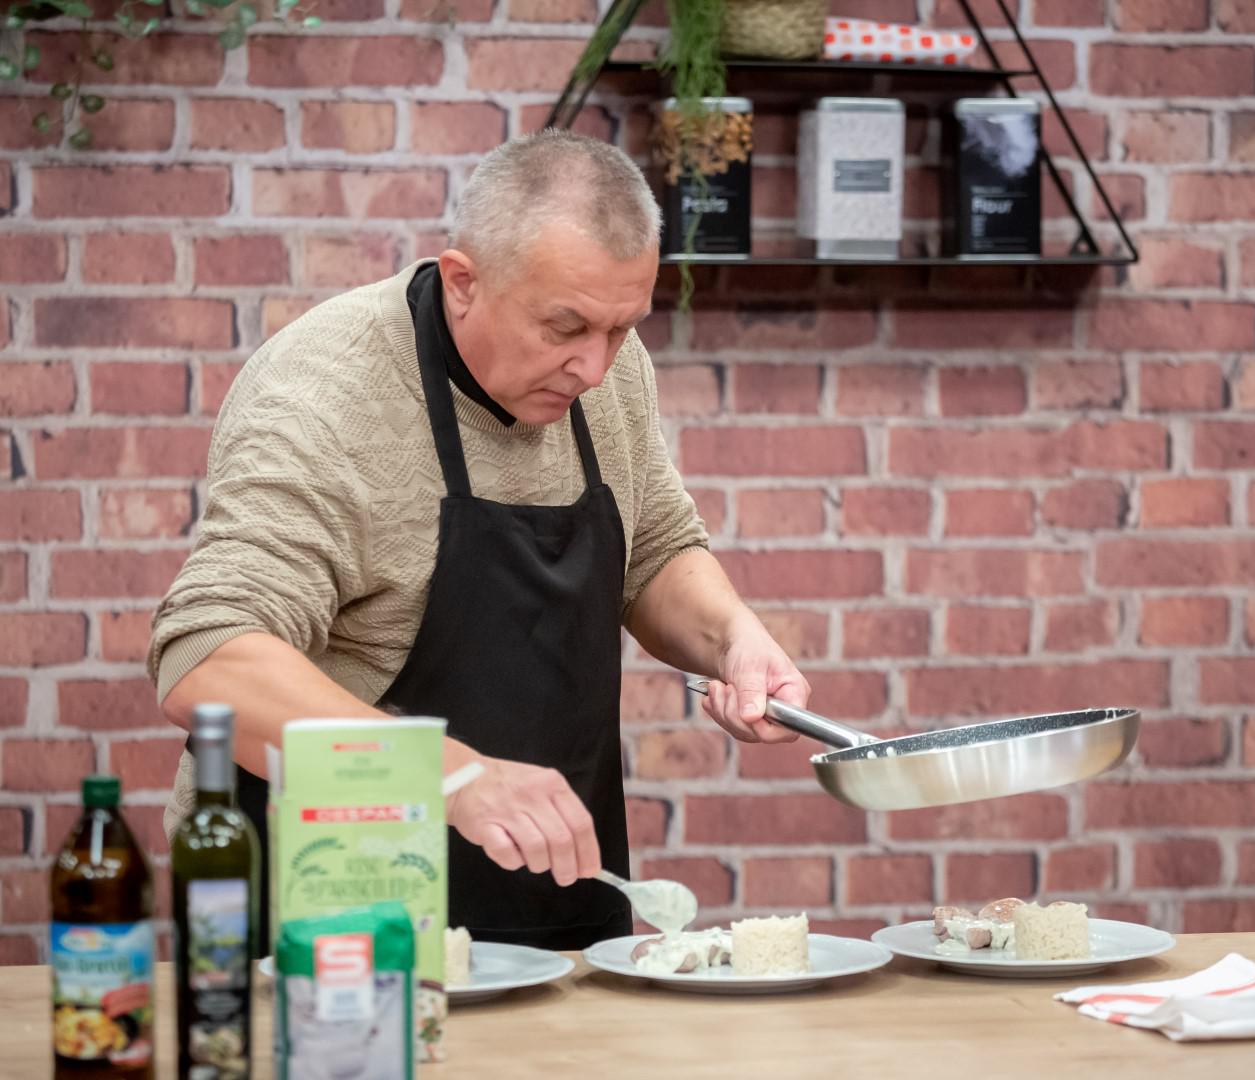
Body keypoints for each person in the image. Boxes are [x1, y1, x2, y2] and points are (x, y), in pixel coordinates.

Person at [148, 130, 809, 949]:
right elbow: (208, 661)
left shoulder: (604, 363)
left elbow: (653, 548)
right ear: (463, 281)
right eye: (564, 327)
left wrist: (734, 639)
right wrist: (452, 774)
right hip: (333, 918)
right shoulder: (325, 395)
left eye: (621, 329)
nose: (595, 368)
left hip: (554, 905)